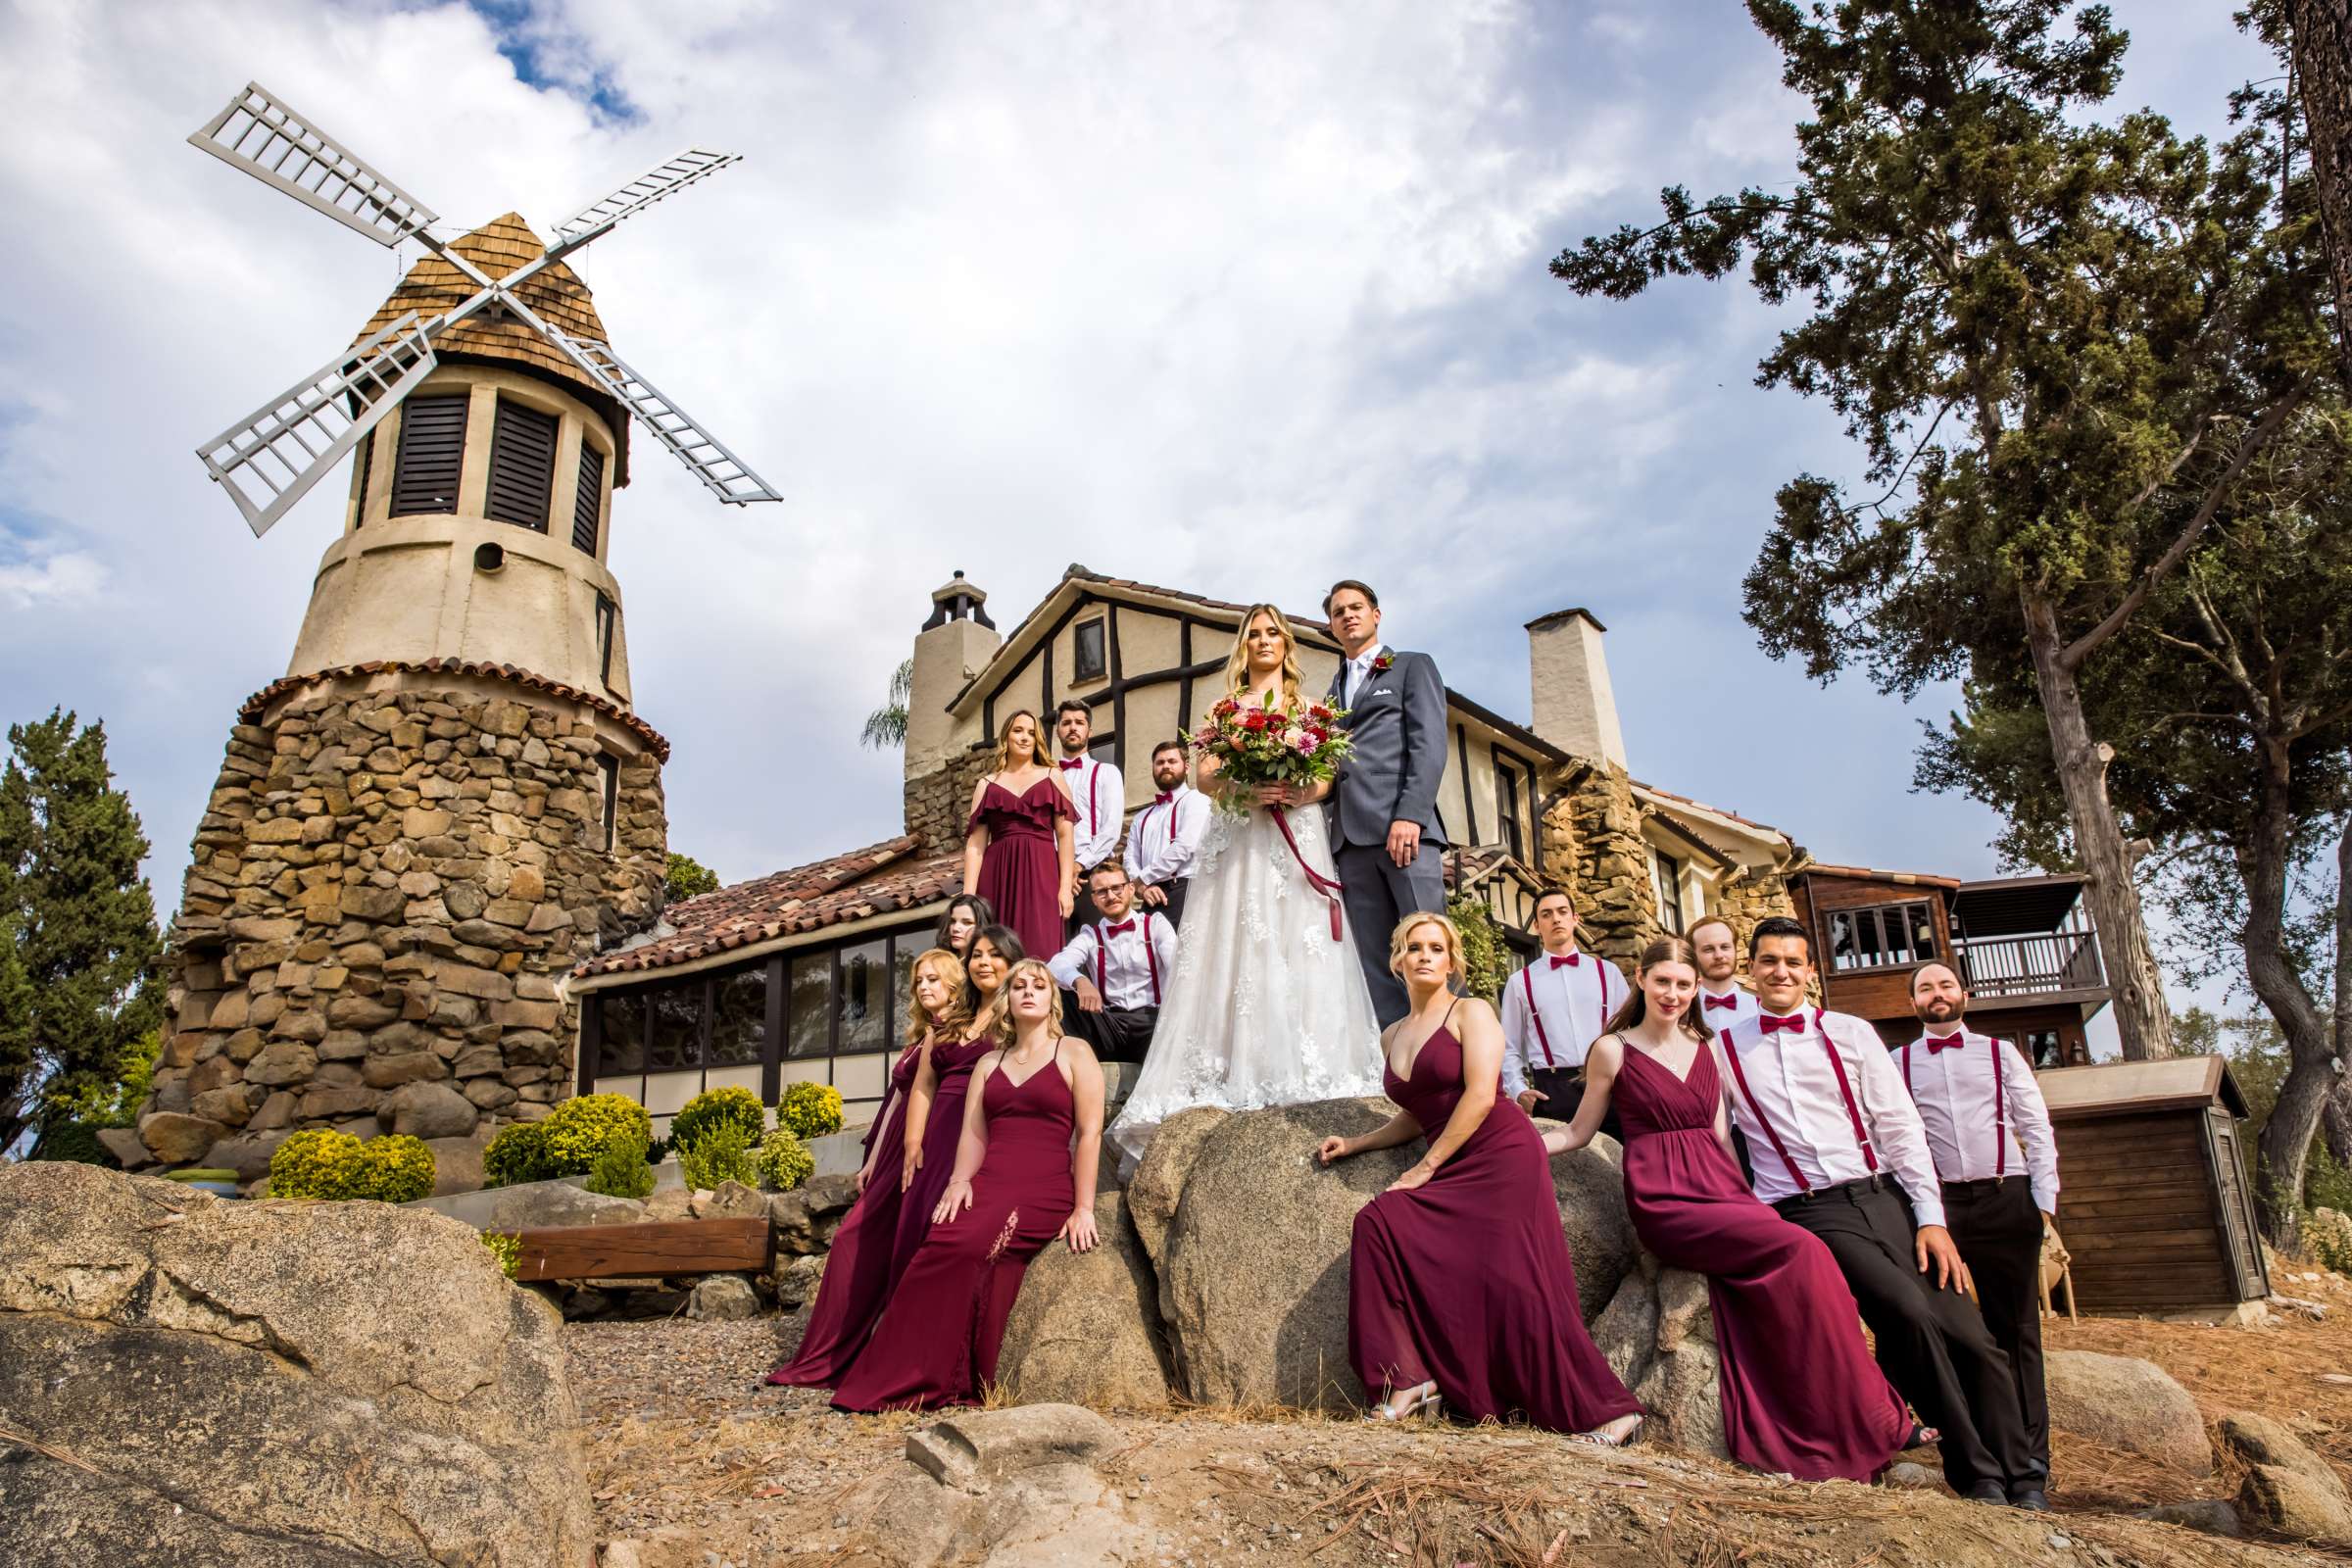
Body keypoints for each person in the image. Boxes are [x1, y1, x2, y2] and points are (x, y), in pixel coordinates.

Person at [1542, 936, 1915, 1481]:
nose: (1672, 993)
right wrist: (1521, 1143)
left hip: (1720, 1189)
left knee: (1813, 1264)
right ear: (1641, 980)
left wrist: (1752, 1201)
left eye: (1683, 984)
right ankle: (1881, 1416)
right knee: (1806, 1249)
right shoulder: (1613, 1050)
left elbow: (1719, 1139)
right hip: (1664, 1200)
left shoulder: (1707, 1045)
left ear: (1698, 990)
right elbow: (1579, 1131)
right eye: (1663, 981)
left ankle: (1863, 1415)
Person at [1714, 915, 2035, 1507]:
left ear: (1810, 971)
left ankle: (2024, 1476)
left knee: (1971, 1332)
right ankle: (1977, 1473)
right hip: (1807, 1209)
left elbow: (1900, 1127)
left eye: (1792, 961)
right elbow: (1714, 1138)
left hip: (1884, 1194)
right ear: (1750, 970)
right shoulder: (1725, 1048)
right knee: (1908, 1315)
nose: (1780, 971)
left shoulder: (1851, 1032)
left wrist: (1931, 1217)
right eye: (1768, 961)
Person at [1318, 912, 1643, 1440]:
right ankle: (1407, 1381)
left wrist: (1426, 1167)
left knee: (1522, 1286)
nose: (1425, 956)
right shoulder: (1391, 1036)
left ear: (1452, 961)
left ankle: (1611, 1412)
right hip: (1452, 1155)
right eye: (1414, 947)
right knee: (1378, 1223)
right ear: (1398, 960)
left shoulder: (1471, 1012)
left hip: (1500, 1154)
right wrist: (1357, 1142)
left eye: (1436, 948)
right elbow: (1418, 1112)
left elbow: (1477, 1093)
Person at [1107, 605, 1385, 1166]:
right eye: (1253, 634)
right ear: (1244, 645)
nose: (1263, 641)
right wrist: (1247, 789)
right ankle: (1231, 1065)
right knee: (1235, 940)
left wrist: (1293, 794)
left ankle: (1309, 1064)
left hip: (1294, 832)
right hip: (1238, 833)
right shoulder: (1224, 708)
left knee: (1299, 937)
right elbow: (1206, 774)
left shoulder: (1310, 709)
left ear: (1286, 644)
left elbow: (1327, 778)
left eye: (1271, 634)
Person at [832, 959, 1105, 1412]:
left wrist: (1084, 1208)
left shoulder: (1074, 1052)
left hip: (1043, 1186)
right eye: (1018, 986)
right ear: (1008, 1000)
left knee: (979, 1247)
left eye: (1038, 985)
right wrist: (958, 1181)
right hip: (988, 1181)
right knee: (939, 1245)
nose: (1028, 992)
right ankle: (903, 1380)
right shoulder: (987, 1062)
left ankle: (954, 1374)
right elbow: (973, 1133)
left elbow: (1091, 1134)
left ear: (1052, 998)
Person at [764, 948, 973, 1389]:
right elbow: (894, 1100)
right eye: (919, 981)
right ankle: (835, 1353)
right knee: (850, 1242)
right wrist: (875, 1158)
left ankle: (867, 1352)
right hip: (892, 1146)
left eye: (934, 979)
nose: (924, 987)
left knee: (872, 1243)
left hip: (929, 1145)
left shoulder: (959, 1032)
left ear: (955, 983)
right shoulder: (921, 1033)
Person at [1899, 961, 2060, 1510]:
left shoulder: (1999, 1052)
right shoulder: (1898, 1063)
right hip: (1940, 1211)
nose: (1936, 995)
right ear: (1914, 1001)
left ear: (1962, 994)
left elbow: (2035, 1125)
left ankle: (2033, 1464)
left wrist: (2043, 1202)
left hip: (2005, 1197)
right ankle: (1986, 1454)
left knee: (2017, 1331)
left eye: (1945, 985)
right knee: (1959, 1332)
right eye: (1925, 988)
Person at [1322, 580, 1448, 1027]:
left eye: (1356, 607)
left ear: (1376, 615)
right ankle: (1398, 1060)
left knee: (1428, 946)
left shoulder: (1412, 666)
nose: (1348, 616)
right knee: (1377, 962)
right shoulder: (1330, 694)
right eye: (1339, 612)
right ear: (1332, 626)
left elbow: (1429, 746)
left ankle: (1451, 1051)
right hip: (1350, 842)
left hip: (1404, 831)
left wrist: (1410, 816)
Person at [893, 926, 1022, 1281]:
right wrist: (913, 1142)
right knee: (917, 1219)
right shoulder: (947, 1019)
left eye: (995, 954)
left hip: (985, 1131)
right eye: (977, 955)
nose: (984, 962)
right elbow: (924, 1083)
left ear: (1013, 962)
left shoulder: (1019, 1017)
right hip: (936, 1133)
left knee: (953, 1228)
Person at [1499, 889, 1628, 1144]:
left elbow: (1630, 1033)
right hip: (1553, 1091)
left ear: (1575, 919)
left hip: (1610, 1085)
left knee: (1623, 1168)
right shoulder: (1520, 982)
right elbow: (1508, 1046)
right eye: (1546, 914)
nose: (1556, 919)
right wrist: (1518, 1089)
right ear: (1537, 926)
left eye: (1562, 912)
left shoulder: (1608, 973)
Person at [963, 711, 1077, 964]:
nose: (1025, 737)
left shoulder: (1052, 776)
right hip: (997, 873)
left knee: (1042, 951)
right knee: (996, 955)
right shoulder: (986, 784)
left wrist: (1065, 888)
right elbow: (975, 845)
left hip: (1042, 871)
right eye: (1018, 730)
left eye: (1031, 733)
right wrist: (968, 899)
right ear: (1006, 736)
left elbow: (1066, 835)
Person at [1046, 861, 1179, 1063]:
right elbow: (1054, 965)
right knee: (1060, 994)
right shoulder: (1090, 935)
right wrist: (1080, 981)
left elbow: (1176, 966)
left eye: (1117, 888)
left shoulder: (1156, 924)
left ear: (1131, 889)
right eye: (1102, 892)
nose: (1110, 896)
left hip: (1152, 1022)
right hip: (1108, 1026)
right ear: (1094, 900)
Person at [1052, 700, 1124, 933]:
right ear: (1057, 731)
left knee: (1095, 948)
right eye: (1066, 723)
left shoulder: (1107, 773)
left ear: (1089, 731)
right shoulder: (1047, 777)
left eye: (1079, 722)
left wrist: (1077, 865)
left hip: (1092, 874)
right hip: (1052, 876)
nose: (1073, 727)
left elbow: (1111, 830)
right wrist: (1063, 871)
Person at [1123, 739, 1206, 925]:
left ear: (1186, 767)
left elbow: (1184, 847)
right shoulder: (1141, 817)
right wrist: (1143, 888)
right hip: (1149, 894)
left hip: (1184, 889)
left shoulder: (1196, 799)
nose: (1165, 766)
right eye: (1160, 763)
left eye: (1172, 761)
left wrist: (1142, 879)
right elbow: (1130, 858)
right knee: (1147, 951)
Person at [1690, 915, 1759, 1033]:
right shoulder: (1681, 1011)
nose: (1719, 956)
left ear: (1735, 950)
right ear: (1693, 956)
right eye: (1708, 949)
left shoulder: (1761, 1008)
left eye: (1725, 947)